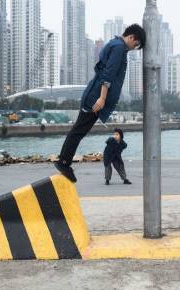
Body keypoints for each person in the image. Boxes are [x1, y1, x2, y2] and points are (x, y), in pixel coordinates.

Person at [55, 24, 146, 182]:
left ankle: (64, 161)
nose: (134, 47)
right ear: (131, 37)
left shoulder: (114, 43)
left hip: (93, 94)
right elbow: (108, 74)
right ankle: (64, 162)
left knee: (78, 130)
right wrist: (102, 98)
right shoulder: (119, 48)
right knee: (78, 131)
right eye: (135, 44)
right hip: (95, 98)